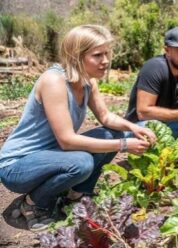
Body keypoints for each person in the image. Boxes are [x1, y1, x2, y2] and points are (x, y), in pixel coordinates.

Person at [0, 25, 156, 231]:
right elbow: (67, 141)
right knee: (81, 163)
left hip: (50, 156)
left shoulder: (88, 81)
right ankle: (33, 205)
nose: (106, 61)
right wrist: (124, 145)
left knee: (113, 132)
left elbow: (106, 117)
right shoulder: (54, 81)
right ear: (77, 55)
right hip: (18, 166)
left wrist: (133, 128)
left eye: (107, 53)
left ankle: (75, 194)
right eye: (98, 55)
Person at [125, 26, 178, 138]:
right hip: (137, 127)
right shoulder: (154, 68)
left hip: (170, 124)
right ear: (167, 51)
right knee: (153, 127)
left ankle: (172, 155)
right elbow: (143, 112)